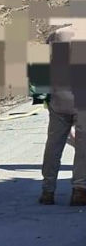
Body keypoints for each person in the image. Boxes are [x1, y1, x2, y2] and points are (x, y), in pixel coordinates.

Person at [38, 24, 86, 206]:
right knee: (83, 147)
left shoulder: (56, 35)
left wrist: (43, 98)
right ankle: (79, 189)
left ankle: (47, 190)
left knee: (53, 144)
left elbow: (39, 67)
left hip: (58, 98)